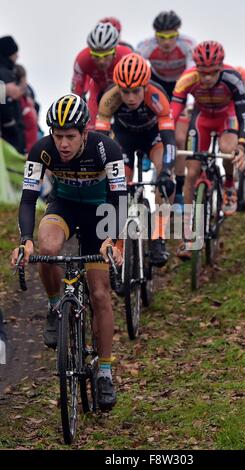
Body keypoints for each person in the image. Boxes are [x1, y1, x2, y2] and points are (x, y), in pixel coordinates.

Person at [11, 94, 126, 410]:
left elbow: (120, 199)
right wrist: (25, 239)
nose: (62, 143)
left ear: (84, 133)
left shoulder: (107, 149)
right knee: (46, 247)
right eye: (57, 135)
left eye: (69, 137)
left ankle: (104, 372)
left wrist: (112, 241)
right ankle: (53, 306)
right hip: (64, 207)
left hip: (101, 212)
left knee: (100, 294)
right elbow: (27, 198)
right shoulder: (42, 149)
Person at [171, 41, 245, 259]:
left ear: (220, 68)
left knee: (227, 149)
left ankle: (229, 184)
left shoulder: (233, 78)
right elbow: (173, 113)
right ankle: (187, 234)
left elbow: (244, 114)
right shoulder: (187, 78)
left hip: (227, 118)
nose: (206, 78)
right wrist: (165, 138)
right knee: (192, 173)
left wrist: (242, 144)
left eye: (212, 73)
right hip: (202, 119)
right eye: (202, 72)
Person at [96, 53, 176, 267]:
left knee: (166, 177)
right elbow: (101, 140)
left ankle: (158, 237)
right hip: (124, 140)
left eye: (136, 91)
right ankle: (117, 242)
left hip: (153, 138)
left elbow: (169, 140)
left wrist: (167, 170)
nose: (130, 97)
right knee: (118, 185)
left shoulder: (157, 96)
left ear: (145, 86)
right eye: (125, 92)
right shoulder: (109, 98)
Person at [137, 11, 196, 211]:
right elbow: (138, 69)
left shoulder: (188, 44)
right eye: (162, 37)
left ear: (178, 34)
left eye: (171, 36)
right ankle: (148, 152)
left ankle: (178, 191)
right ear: (156, 36)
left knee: (179, 139)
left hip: (181, 86)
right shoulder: (146, 46)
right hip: (157, 85)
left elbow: (190, 74)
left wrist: (187, 105)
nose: (167, 42)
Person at [71, 22, 132, 129]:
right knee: (91, 127)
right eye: (96, 56)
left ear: (114, 50)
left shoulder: (126, 55)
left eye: (106, 55)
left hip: (122, 90)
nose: (101, 61)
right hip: (97, 89)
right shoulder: (82, 59)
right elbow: (77, 91)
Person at [0, 35, 25, 153]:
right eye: (15, 54)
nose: (17, 57)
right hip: (9, 131)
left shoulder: (7, 71)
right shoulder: (4, 72)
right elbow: (2, 100)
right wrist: (9, 122)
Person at [15, 64, 38, 153]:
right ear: (21, 80)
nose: (26, 82)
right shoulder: (17, 103)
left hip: (32, 151)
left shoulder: (27, 99)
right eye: (25, 79)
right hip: (23, 152)